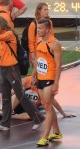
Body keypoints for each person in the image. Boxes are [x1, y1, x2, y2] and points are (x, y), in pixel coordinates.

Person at [0, 16, 44, 132]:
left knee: (20, 95)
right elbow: (1, 50)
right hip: (3, 68)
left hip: (12, 68)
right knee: (5, 97)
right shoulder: (2, 36)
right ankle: (5, 124)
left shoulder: (9, 34)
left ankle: (37, 118)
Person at [31, 18, 63, 147]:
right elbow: (38, 61)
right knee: (47, 106)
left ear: (48, 29)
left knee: (47, 107)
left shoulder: (55, 44)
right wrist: (33, 75)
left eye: (40, 28)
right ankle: (56, 132)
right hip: (40, 79)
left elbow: (59, 64)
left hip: (50, 79)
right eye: (37, 28)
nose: (38, 30)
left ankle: (45, 136)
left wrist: (56, 83)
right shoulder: (39, 41)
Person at [10, 76, 75, 121]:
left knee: (33, 116)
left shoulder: (43, 88)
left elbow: (52, 100)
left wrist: (64, 114)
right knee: (18, 94)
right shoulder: (26, 80)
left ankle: (11, 116)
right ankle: (6, 113)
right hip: (17, 103)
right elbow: (11, 92)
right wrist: (22, 89)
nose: (35, 81)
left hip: (28, 107)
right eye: (35, 78)